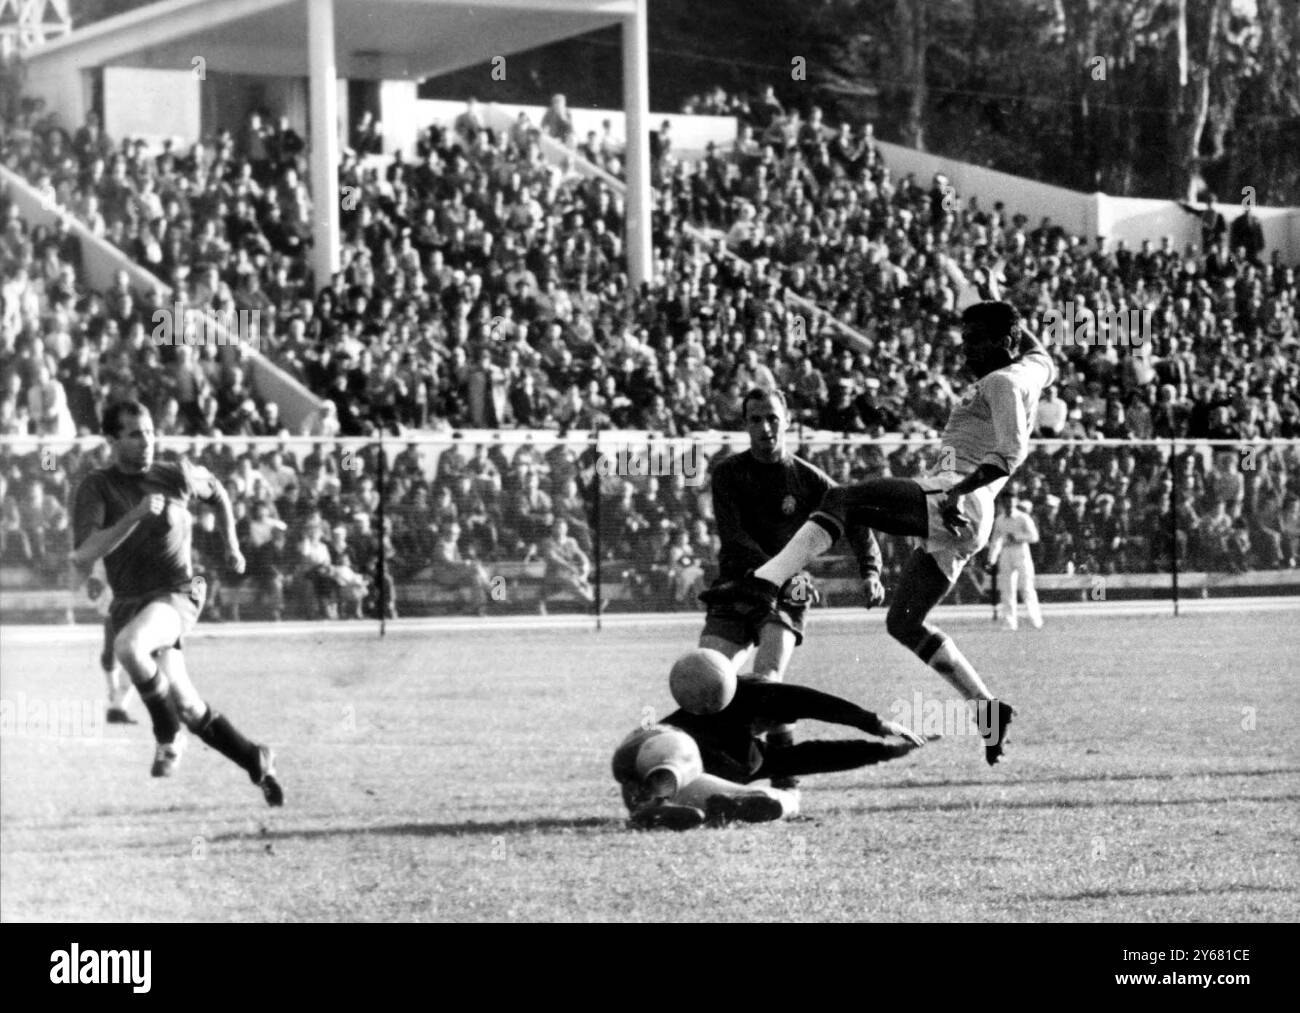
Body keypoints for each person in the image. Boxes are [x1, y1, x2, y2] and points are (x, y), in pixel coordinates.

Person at [704, 264, 1055, 766]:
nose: (965, 350)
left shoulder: (1000, 383)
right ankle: (987, 710)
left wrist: (956, 492)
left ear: (1006, 340)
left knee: (844, 498)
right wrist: (993, 295)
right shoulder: (1031, 368)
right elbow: (1040, 351)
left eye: (975, 340)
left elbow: (1010, 454)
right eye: (964, 339)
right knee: (905, 622)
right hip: (964, 512)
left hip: (954, 498)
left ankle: (763, 582)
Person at [70, 401, 283, 805]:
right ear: (111, 440)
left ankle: (167, 738)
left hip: (178, 593)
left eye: (150, 431)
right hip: (131, 604)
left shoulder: (174, 473)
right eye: (134, 434)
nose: (146, 440)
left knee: (128, 647)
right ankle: (256, 759)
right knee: (186, 703)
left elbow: (218, 493)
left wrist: (232, 545)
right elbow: (85, 553)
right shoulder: (96, 486)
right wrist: (132, 516)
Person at [699, 387, 886, 795]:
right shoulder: (728, 474)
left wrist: (871, 570)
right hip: (737, 585)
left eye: (772, 418)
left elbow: (854, 517)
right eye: (755, 419)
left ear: (787, 421)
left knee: (768, 679)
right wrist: (781, 569)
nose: (765, 427)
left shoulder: (808, 478)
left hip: (787, 593)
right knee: (707, 681)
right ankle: (716, 766)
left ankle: (781, 772)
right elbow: (734, 538)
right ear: (745, 424)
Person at [613, 677, 929, 830]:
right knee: (684, 757)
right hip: (660, 747)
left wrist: (884, 751)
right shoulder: (746, 698)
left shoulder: (755, 753)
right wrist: (874, 724)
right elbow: (814, 703)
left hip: (661, 771)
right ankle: (655, 803)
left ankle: (656, 810)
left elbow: (816, 756)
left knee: (768, 798)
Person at [987, 498, 1043, 631]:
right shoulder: (1000, 520)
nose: (1008, 507)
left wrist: (1017, 537)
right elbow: (995, 540)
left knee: (1026, 586)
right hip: (1006, 552)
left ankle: (1035, 620)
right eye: (1006, 505)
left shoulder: (1023, 517)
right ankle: (1009, 622)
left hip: (1021, 551)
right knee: (1007, 588)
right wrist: (991, 559)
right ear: (1003, 505)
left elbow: (1034, 536)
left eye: (1011, 505)